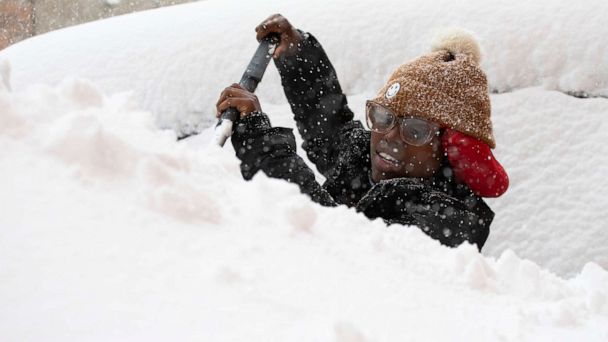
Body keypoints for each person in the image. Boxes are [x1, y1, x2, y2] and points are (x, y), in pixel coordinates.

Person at [215, 14, 509, 250]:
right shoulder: (365, 161)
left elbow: (335, 248)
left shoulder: (451, 224)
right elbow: (329, 125)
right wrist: (297, 55)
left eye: (416, 130)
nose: (389, 137)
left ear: (450, 148)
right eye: (383, 116)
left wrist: (262, 143)